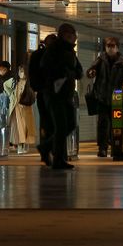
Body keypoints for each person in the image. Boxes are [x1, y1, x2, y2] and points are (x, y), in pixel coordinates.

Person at [40, 23, 83, 170]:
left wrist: (71, 73)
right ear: (63, 35)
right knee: (61, 126)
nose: (73, 38)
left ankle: (46, 147)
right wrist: (62, 72)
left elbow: (79, 71)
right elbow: (45, 67)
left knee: (70, 124)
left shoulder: (71, 51)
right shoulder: (54, 50)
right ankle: (58, 159)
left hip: (66, 94)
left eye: (74, 35)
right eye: (70, 35)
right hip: (54, 94)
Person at [87, 37, 123, 158]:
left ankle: (116, 147)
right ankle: (102, 148)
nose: (110, 48)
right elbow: (91, 70)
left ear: (117, 47)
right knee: (103, 123)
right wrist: (91, 72)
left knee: (116, 124)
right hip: (102, 97)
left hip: (117, 98)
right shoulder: (100, 59)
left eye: (112, 46)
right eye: (108, 46)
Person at [29, 34, 56, 166]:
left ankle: (47, 150)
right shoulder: (55, 55)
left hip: (42, 93)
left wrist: (37, 87)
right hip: (53, 94)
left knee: (46, 122)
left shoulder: (36, 55)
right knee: (56, 122)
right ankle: (50, 150)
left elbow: (32, 75)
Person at [11, 63, 37, 154]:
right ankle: (21, 145)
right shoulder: (17, 83)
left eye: (22, 71)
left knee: (25, 127)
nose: (20, 73)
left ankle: (24, 145)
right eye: (19, 71)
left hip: (25, 108)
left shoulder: (28, 83)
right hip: (18, 108)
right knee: (20, 128)